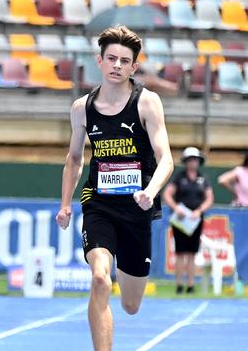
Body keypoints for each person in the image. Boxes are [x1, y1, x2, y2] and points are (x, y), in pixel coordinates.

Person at [55, 25, 174, 351]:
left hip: (137, 206)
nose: (117, 65)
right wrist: (65, 203)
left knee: (131, 305)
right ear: (100, 61)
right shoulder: (82, 108)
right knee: (98, 278)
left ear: (134, 66)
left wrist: (150, 191)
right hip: (99, 203)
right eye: (111, 58)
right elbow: (75, 157)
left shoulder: (147, 103)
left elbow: (166, 159)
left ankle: (127, 273)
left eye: (125, 60)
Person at [163, 147, 214, 294]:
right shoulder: (179, 178)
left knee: (192, 253)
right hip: (180, 220)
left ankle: (191, 285)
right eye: (190, 160)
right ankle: (179, 285)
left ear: (199, 161)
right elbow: (167, 194)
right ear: (186, 162)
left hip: (196, 221)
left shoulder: (203, 179)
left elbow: (209, 198)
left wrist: (199, 211)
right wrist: (176, 208)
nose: (193, 162)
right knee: (180, 252)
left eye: (195, 159)